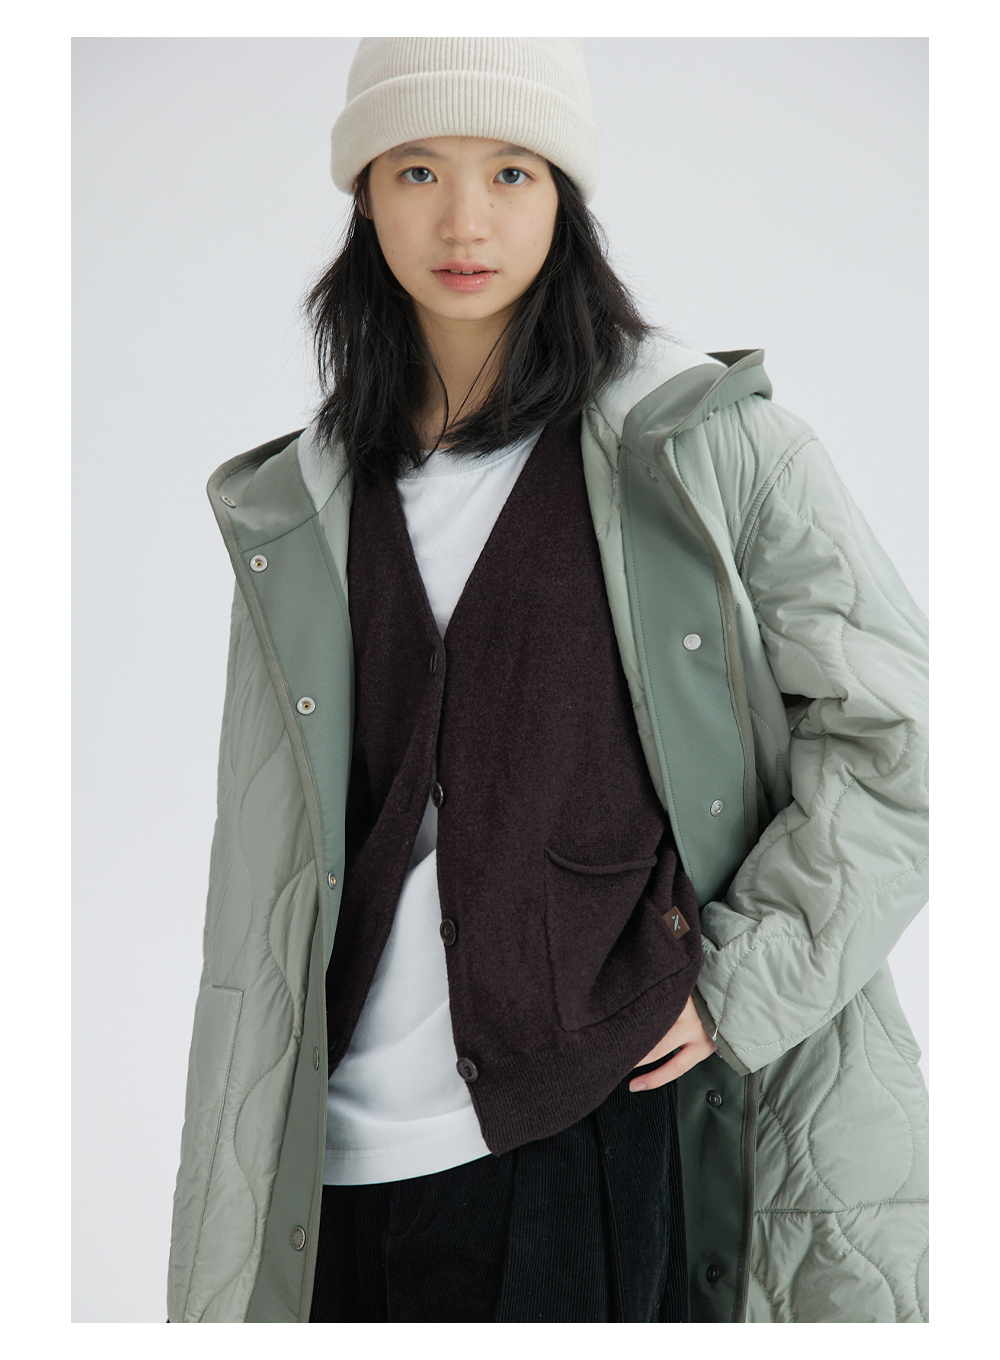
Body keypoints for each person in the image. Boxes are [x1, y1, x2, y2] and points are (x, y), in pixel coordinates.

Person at [166, 38, 928, 1324]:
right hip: (327, 1160)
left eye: (511, 171)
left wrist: (744, 980)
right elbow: (273, 864)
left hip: (586, 1134)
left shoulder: (713, 448)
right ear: (365, 197)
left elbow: (901, 731)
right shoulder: (300, 505)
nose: (464, 220)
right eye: (417, 170)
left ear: (564, 194)